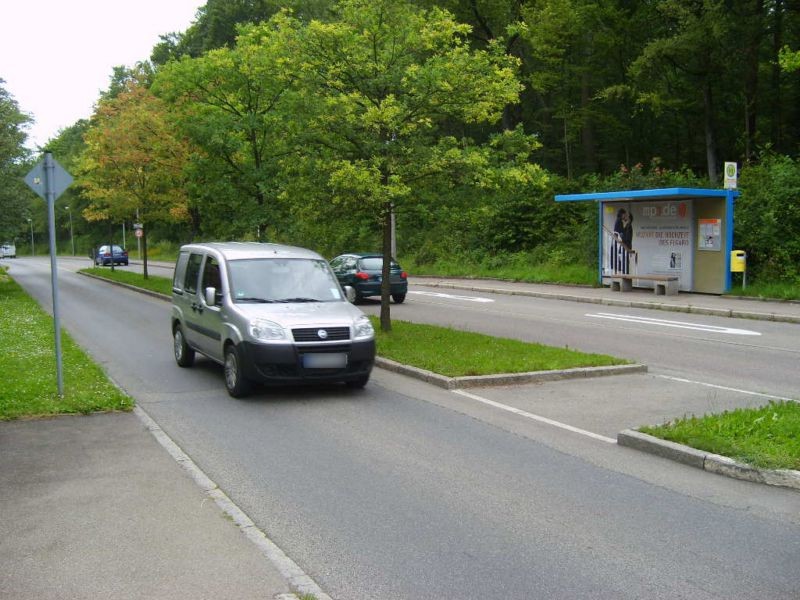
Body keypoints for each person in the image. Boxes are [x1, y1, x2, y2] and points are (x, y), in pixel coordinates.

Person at [612, 208, 634, 274]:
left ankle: (624, 273)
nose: (625, 217)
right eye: (625, 215)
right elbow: (620, 234)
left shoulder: (628, 226)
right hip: (623, 244)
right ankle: (623, 273)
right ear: (622, 214)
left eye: (627, 216)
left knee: (623, 260)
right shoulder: (620, 222)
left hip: (625, 245)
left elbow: (625, 236)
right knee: (623, 260)